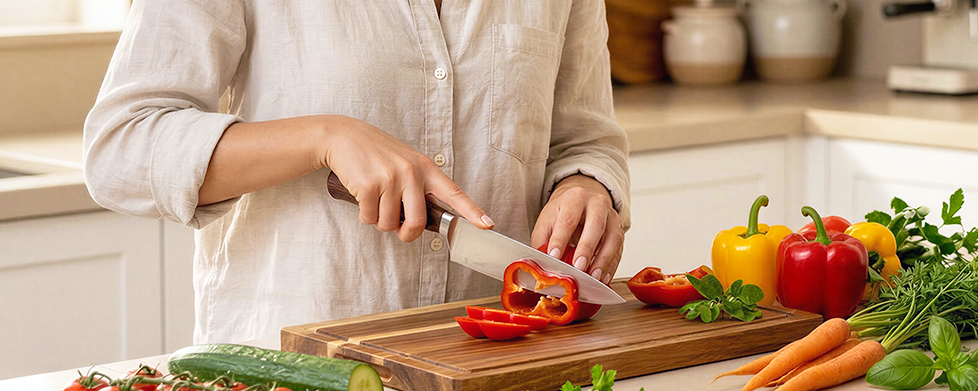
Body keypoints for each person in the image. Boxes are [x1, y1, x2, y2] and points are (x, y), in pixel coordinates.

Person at [82, 0, 630, 344]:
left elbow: (587, 138)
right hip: (293, 381)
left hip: (500, 371)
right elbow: (121, 148)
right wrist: (324, 137)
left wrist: (586, 183)